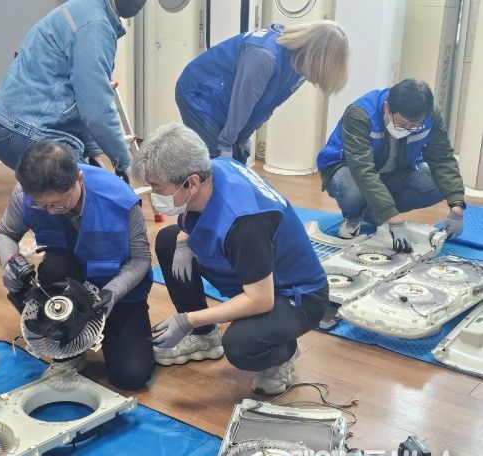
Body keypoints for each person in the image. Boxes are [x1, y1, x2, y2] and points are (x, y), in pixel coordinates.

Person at [134, 124, 329, 395]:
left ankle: (282, 354)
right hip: (258, 269)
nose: (153, 195)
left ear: (192, 183)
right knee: (170, 240)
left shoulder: (245, 223)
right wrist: (184, 238)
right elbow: (194, 214)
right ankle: (204, 338)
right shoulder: (214, 167)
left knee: (240, 345)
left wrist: (189, 320)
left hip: (296, 295)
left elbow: (260, 300)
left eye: (157, 187)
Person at [0, 140, 153, 390]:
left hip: (115, 291)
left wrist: (112, 293)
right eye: (41, 205)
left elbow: (140, 259)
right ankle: (69, 352)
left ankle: (107, 330)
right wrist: (11, 261)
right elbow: (4, 234)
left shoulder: (120, 200)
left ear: (79, 179)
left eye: (57, 203)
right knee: (53, 267)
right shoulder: (24, 194)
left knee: (131, 376)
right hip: (66, 282)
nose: (50, 211)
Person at [0, 0, 147, 179]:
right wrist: (124, 161)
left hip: (10, 124)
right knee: (91, 190)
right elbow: (96, 109)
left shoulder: (85, 8)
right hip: (27, 130)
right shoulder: (95, 25)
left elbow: (82, 94)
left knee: (72, 188)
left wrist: (93, 150)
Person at [317, 79, 466, 252]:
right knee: (353, 192)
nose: (407, 130)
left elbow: (443, 158)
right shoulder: (360, 114)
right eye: (401, 124)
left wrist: (457, 208)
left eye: (414, 126)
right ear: (387, 108)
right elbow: (363, 171)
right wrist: (394, 221)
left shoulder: (429, 115)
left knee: (437, 184)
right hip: (346, 169)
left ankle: (375, 212)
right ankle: (354, 217)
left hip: (394, 173)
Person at [175, 21, 348, 164]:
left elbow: (265, 106)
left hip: (225, 99)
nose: (316, 81)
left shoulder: (298, 68)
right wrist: (226, 143)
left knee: (236, 162)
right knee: (216, 166)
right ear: (315, 57)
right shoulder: (264, 55)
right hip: (199, 93)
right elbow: (242, 104)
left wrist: (243, 137)